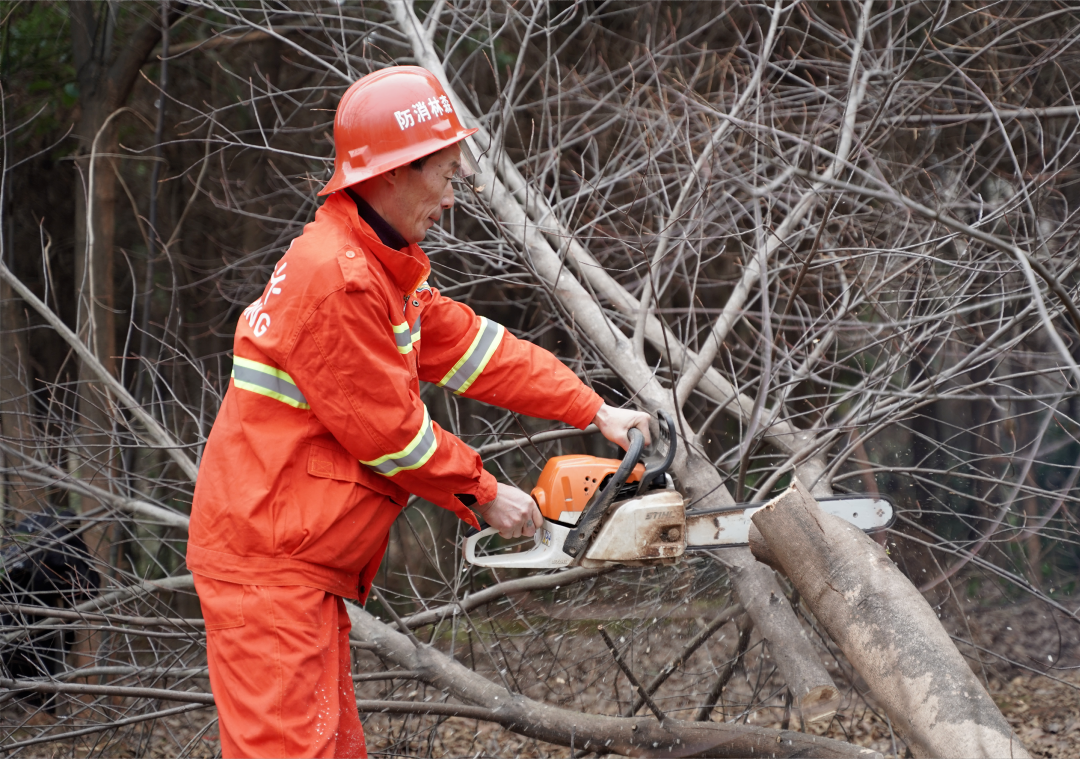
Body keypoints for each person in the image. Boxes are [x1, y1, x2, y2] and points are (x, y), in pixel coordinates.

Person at [186, 66, 650, 759]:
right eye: (447, 176)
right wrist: (485, 494)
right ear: (394, 172)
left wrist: (594, 408)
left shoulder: (378, 270)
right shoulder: (338, 278)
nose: (451, 199)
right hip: (270, 567)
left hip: (297, 564)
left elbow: (476, 350)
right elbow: (390, 433)